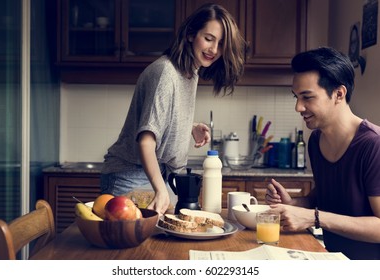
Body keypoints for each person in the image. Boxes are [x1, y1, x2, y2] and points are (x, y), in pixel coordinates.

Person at [100, 4, 245, 215]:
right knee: (137, 247)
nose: (214, 50)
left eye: (221, 44)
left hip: (155, 173)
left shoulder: (189, 72)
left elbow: (161, 120)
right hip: (131, 175)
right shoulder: (165, 73)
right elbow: (147, 140)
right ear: (190, 34)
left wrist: (189, 127)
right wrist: (160, 190)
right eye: (209, 38)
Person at [265, 47, 380, 260]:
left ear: (339, 94)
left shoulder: (374, 145)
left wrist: (313, 218)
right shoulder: (316, 140)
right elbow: (328, 196)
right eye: (296, 97)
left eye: (307, 97)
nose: (298, 107)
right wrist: (294, 204)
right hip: (331, 260)